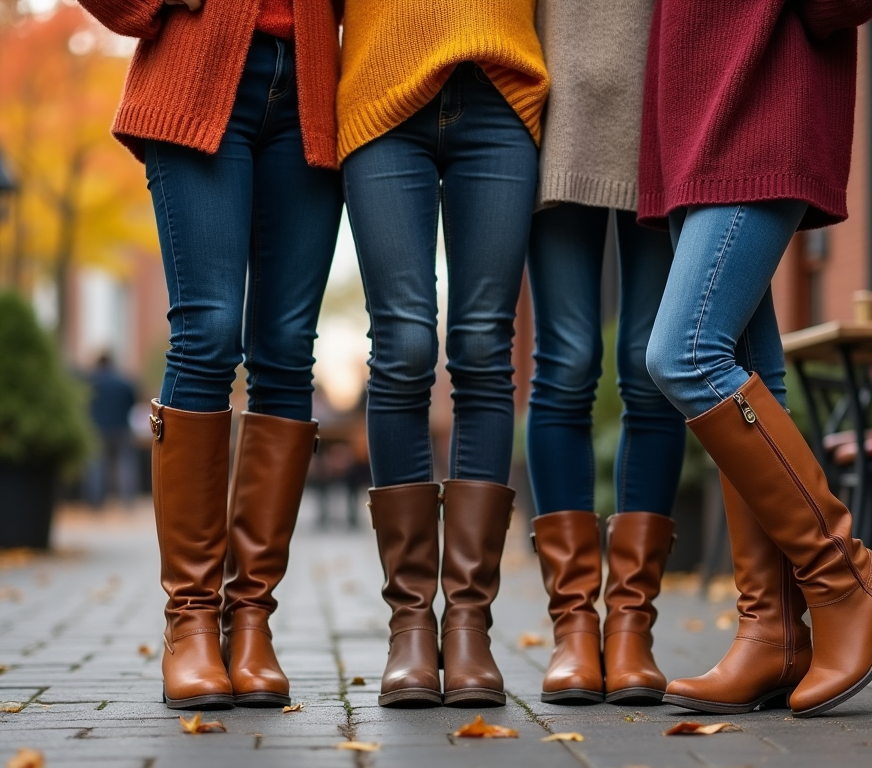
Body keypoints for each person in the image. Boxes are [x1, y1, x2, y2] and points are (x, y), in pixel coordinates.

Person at [639, 0, 872, 718]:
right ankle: (773, 632)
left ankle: (846, 577)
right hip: (696, 127)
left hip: (759, 104)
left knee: (684, 355)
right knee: (741, 370)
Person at [78, 0, 344, 710]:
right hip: (199, 73)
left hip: (313, 85)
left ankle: (251, 619)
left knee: (287, 349)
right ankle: (191, 622)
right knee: (208, 332)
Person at [337, 1, 548, 707]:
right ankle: (409, 627)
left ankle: (467, 624)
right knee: (402, 344)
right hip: (381, 89)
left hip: (501, 89)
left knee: (487, 346)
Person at [526, 1, 686, 706]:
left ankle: (630, 628)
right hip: (557, 114)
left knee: (653, 373)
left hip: (667, 116)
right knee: (564, 365)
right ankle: (571, 627)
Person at [82, 352, 138, 508]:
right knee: (124, 465)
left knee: (96, 467)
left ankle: (95, 502)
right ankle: (127, 502)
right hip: (121, 428)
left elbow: (84, 403)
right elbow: (132, 400)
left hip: (97, 428)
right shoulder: (123, 381)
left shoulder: (90, 382)